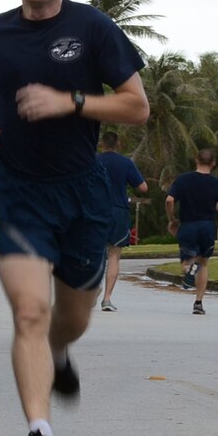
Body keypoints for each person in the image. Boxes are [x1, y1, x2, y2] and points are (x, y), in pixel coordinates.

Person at [0, 0, 149, 436]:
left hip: (83, 193)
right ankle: (40, 433)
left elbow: (136, 107)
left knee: (72, 317)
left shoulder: (93, 28)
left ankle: (61, 354)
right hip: (17, 190)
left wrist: (72, 101)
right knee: (30, 312)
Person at [165, 149, 218, 315]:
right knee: (204, 263)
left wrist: (172, 220)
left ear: (196, 160)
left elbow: (169, 200)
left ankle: (189, 271)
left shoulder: (183, 179)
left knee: (187, 262)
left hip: (188, 226)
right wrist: (215, 207)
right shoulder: (216, 183)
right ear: (213, 163)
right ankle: (198, 302)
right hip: (207, 226)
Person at [97, 130, 148, 311]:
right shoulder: (126, 163)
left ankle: (93, 287)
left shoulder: (94, 161)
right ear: (118, 144)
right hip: (118, 210)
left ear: (102, 144)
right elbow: (143, 187)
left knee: (94, 252)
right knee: (114, 255)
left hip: (96, 211)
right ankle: (107, 299)